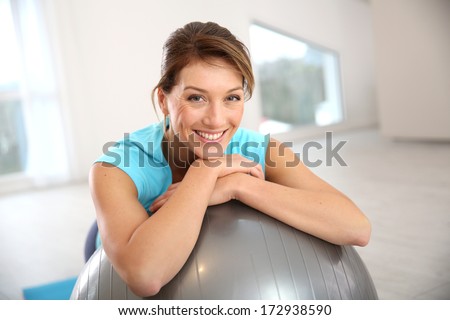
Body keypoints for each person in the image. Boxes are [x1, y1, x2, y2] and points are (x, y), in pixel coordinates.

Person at [89, 21, 371, 297]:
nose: (216, 120)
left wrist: (239, 186)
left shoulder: (259, 148)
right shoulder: (113, 167)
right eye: (197, 98)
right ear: (164, 100)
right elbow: (145, 276)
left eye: (232, 98)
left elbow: (356, 228)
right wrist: (206, 170)